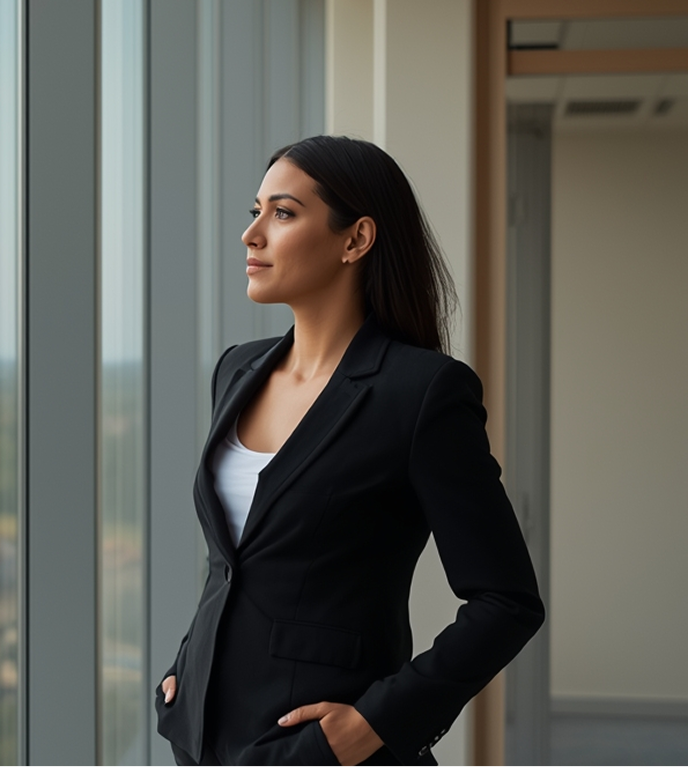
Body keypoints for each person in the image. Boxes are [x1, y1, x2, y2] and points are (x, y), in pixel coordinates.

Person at [154, 136, 544, 767]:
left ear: (355, 239)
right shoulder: (237, 370)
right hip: (201, 736)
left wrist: (374, 725)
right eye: (254, 212)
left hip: (323, 751)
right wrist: (184, 667)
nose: (252, 234)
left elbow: (507, 603)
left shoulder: (422, 393)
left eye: (282, 213)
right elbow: (237, 557)